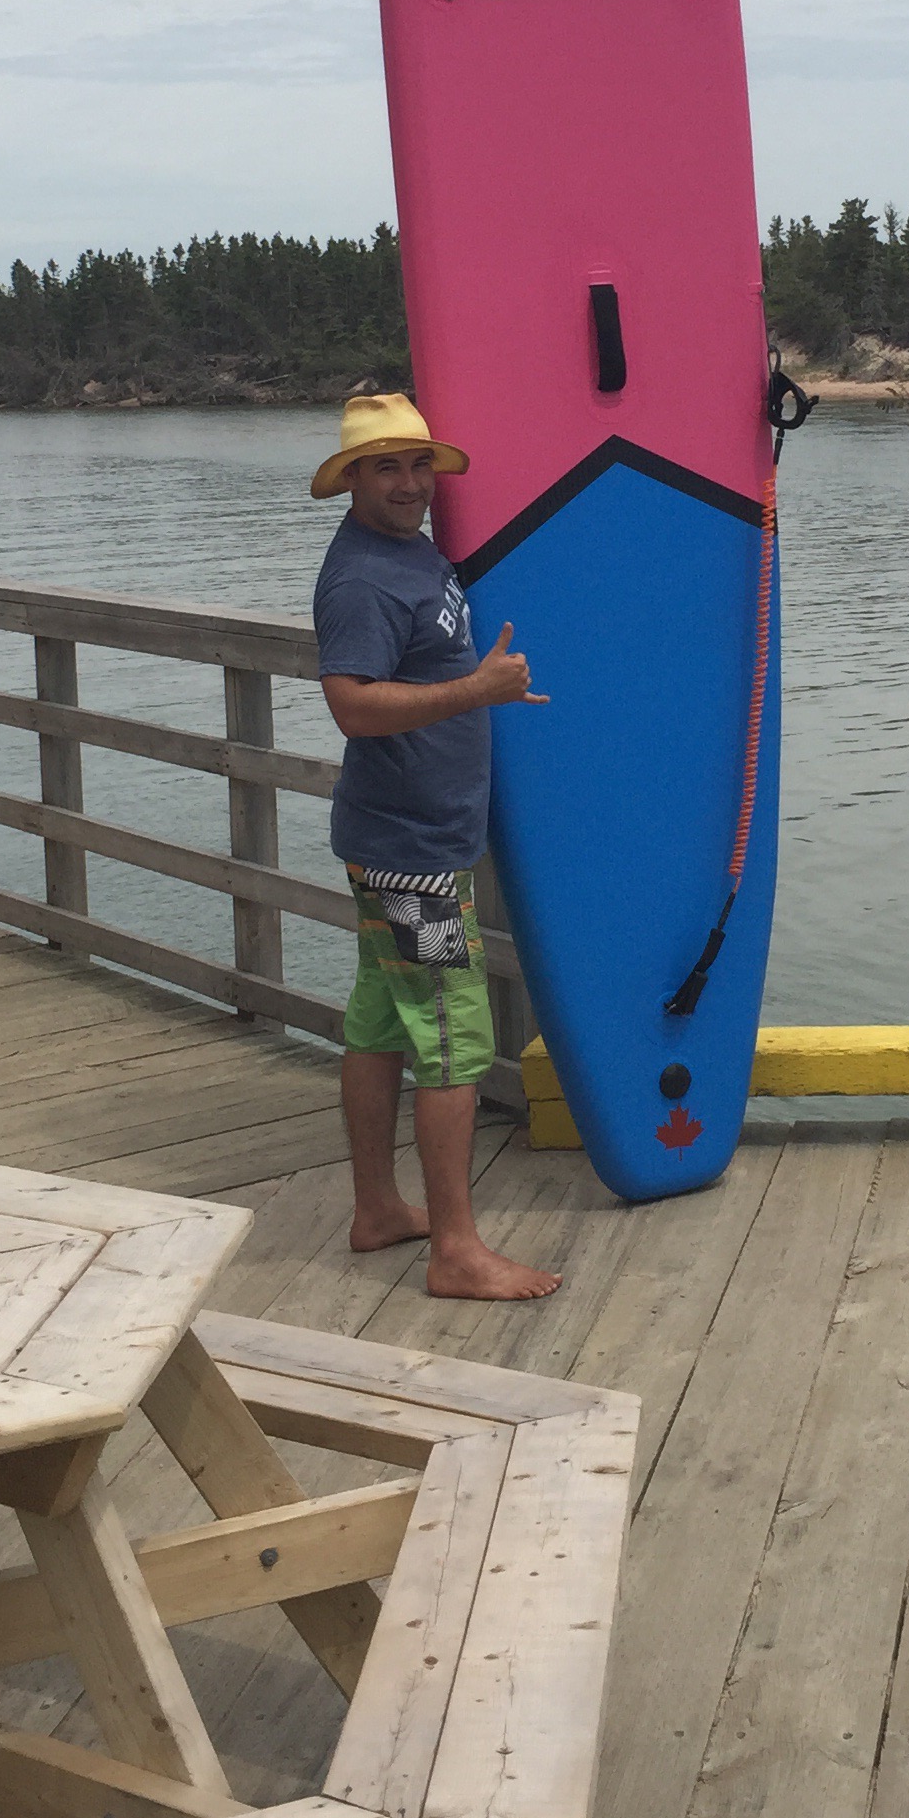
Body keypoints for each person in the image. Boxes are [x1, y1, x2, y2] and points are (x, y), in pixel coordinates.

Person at [310, 389, 562, 1301]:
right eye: (387, 468)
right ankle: (456, 1252)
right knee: (455, 1040)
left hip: (400, 842)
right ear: (353, 480)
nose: (411, 483)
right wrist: (474, 694)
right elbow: (351, 705)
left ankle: (378, 1209)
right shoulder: (361, 580)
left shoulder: (410, 552)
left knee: (380, 1027)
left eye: (420, 464)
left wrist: (477, 685)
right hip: (410, 855)